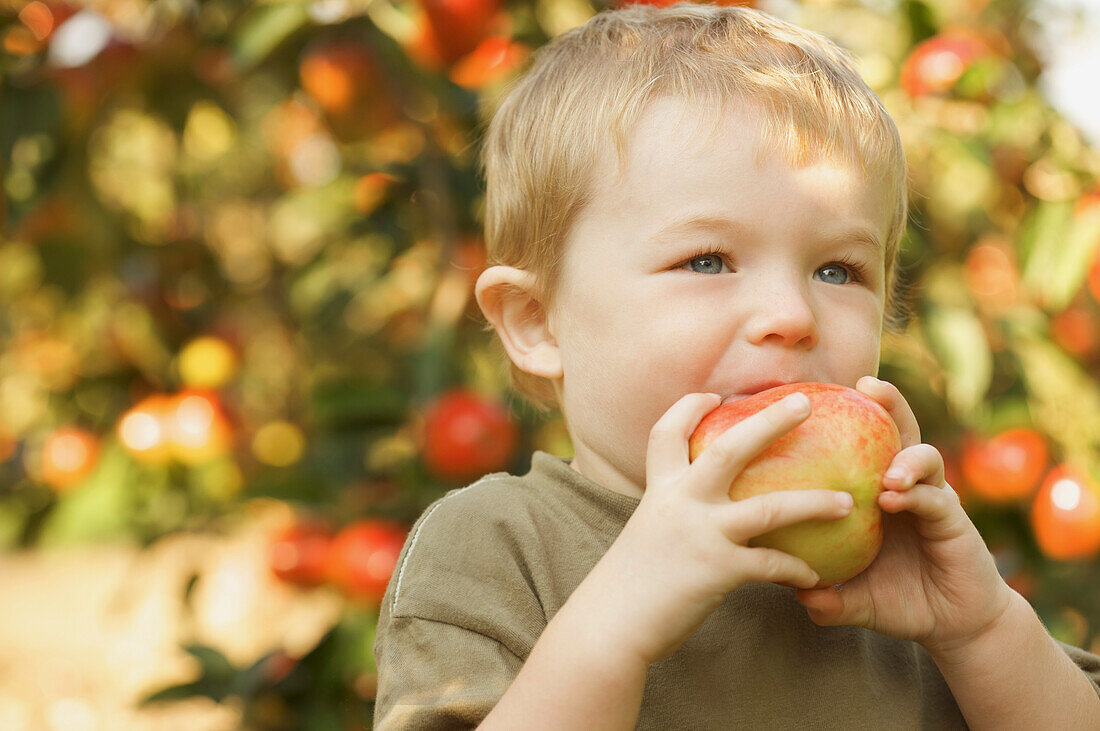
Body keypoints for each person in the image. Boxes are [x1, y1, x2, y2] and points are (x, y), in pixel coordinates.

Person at [372, 3, 1100, 728]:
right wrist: (615, 624)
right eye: (708, 259)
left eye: (839, 270)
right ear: (537, 322)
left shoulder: (901, 567)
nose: (792, 314)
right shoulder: (497, 547)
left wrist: (981, 628)